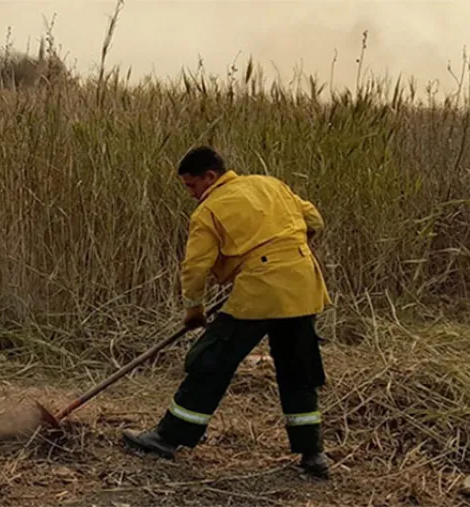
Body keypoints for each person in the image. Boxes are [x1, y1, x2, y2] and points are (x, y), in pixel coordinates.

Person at [121, 146, 332, 478]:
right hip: (304, 287)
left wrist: (194, 308)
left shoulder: (209, 211)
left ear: (210, 176)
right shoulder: (270, 184)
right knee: (298, 370)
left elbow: (195, 267)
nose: (191, 194)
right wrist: (286, 250)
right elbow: (314, 220)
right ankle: (313, 454)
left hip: (260, 293)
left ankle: (168, 437)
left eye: (192, 186)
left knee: (211, 362)